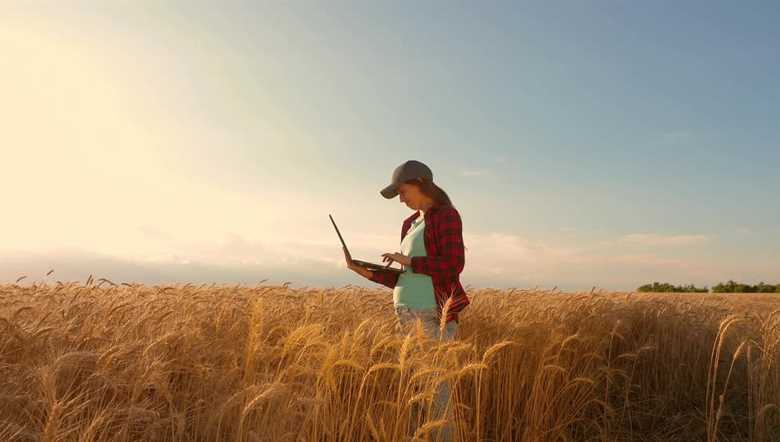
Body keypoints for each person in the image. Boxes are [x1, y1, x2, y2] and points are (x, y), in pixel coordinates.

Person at [343, 159, 470, 441]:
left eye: (403, 192)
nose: (401, 199)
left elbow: (452, 264)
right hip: (406, 314)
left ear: (421, 184)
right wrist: (366, 272)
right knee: (416, 393)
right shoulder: (410, 223)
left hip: (431, 314)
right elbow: (406, 275)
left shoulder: (446, 216)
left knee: (436, 394)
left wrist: (410, 260)